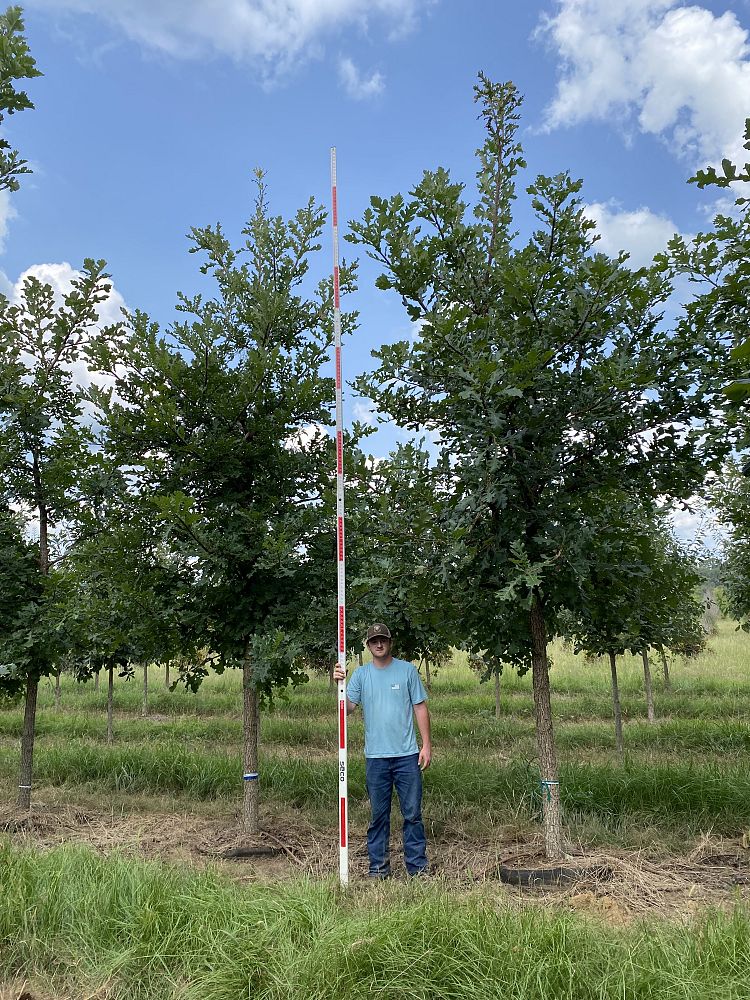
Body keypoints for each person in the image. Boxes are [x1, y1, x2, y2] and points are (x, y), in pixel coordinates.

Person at [334, 622, 431, 878]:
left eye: (383, 640)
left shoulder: (407, 671)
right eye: (374, 641)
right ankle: (378, 869)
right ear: (368, 646)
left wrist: (426, 745)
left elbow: (420, 707)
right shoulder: (361, 676)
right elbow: (348, 708)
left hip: (407, 756)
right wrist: (339, 686)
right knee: (379, 816)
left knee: (412, 814)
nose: (379, 644)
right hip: (376, 758)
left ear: (390, 643)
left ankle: (417, 869)